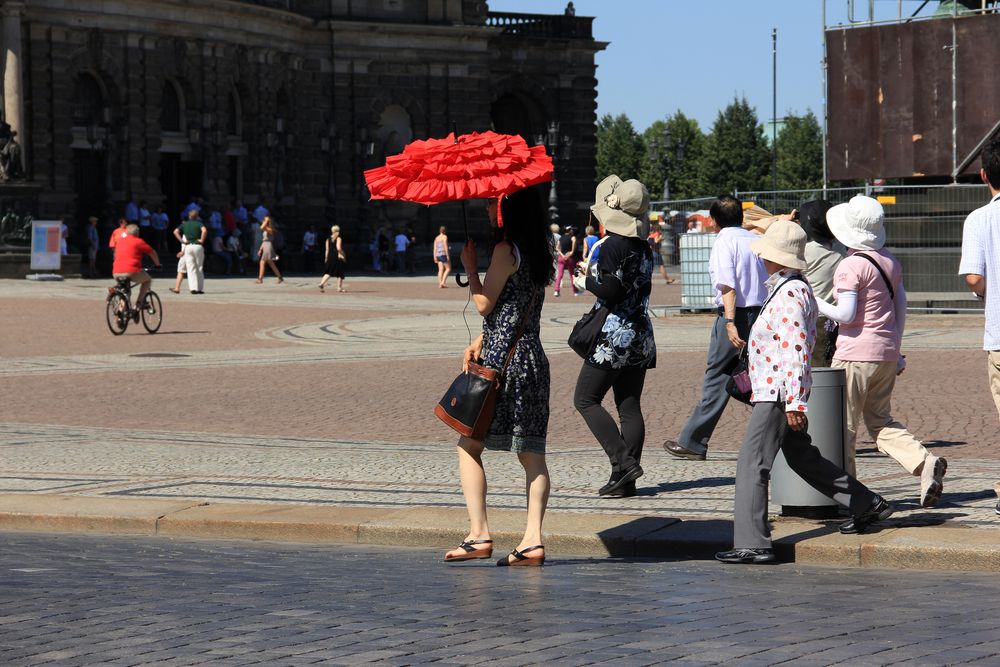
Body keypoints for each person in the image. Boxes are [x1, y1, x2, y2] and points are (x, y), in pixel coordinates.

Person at [715, 220, 894, 565]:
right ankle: (865, 503)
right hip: (778, 390)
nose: (762, 258)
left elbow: (796, 350)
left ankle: (754, 542)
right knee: (801, 457)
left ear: (778, 259)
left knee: (752, 464)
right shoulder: (789, 287)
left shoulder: (790, 293)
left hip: (778, 393)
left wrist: (795, 402)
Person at [444, 186, 553, 567]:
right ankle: (532, 541)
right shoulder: (539, 249)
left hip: (503, 366)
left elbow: (485, 303)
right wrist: (481, 337)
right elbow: (514, 310)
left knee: (468, 445)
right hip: (532, 359)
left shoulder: (506, 251)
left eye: (494, 201)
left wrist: (470, 267)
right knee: (532, 454)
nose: (489, 207)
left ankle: (479, 534)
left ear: (510, 208)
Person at [817, 194, 946, 508]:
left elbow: (846, 315)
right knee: (881, 421)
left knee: (844, 428)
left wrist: (815, 300)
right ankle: (923, 462)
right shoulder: (890, 261)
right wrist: (896, 349)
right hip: (886, 352)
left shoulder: (850, 266)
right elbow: (900, 307)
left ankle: (851, 498)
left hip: (853, 355)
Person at [663, 195, 768, 460]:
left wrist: (730, 322)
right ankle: (694, 440)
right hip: (760, 313)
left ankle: (693, 441)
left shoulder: (725, 241)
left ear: (714, 220)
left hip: (735, 315)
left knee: (719, 375)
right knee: (755, 374)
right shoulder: (753, 239)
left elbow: (727, 285)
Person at [572, 176, 656, 498]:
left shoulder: (615, 245)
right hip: (640, 333)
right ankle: (625, 481)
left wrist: (584, 281)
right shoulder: (642, 246)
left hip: (615, 335)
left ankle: (622, 461)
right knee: (629, 405)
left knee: (585, 399)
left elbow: (611, 290)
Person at [958, 136, 1000, 515]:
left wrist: (990, 290)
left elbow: (973, 277)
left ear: (984, 173)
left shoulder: (979, 219)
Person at [798, 199, 843, 367]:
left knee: (815, 369)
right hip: (835, 317)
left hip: (812, 318)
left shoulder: (805, 251)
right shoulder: (840, 249)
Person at [112, 223, 161, 318]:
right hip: (131, 271)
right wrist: (157, 265)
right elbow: (152, 252)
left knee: (125, 291)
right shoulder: (138, 241)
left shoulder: (120, 241)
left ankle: (120, 314)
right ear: (137, 233)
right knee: (147, 280)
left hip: (116, 272)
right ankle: (138, 305)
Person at [174, 208, 206, 294]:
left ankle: (193, 288)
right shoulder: (199, 224)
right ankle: (199, 288)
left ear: (189, 216)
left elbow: (175, 231)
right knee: (199, 267)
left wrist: (182, 241)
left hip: (188, 246)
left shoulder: (185, 224)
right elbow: (204, 230)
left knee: (190, 268)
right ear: (197, 216)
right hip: (198, 245)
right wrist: (202, 239)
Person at [256, 215, 284, 283]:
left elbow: (261, 227)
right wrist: (260, 249)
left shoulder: (270, 229)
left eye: (265, 220)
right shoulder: (266, 229)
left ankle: (260, 279)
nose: (263, 221)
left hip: (268, 245)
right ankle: (280, 277)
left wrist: (266, 220)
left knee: (262, 262)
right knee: (271, 263)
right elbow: (264, 240)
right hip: (265, 245)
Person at [318, 225, 346, 293]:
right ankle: (339, 288)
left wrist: (326, 258)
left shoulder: (328, 239)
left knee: (329, 271)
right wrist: (343, 253)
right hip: (337, 257)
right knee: (340, 272)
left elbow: (327, 250)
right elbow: (338, 248)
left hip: (330, 257)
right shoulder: (338, 238)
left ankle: (322, 283)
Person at [554, 225, 578, 297]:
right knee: (572, 275)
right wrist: (570, 254)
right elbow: (573, 249)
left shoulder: (561, 237)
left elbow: (557, 248)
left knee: (560, 275)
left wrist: (562, 255)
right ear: (570, 230)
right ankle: (575, 291)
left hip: (561, 257)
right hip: (569, 258)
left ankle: (556, 290)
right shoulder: (573, 237)